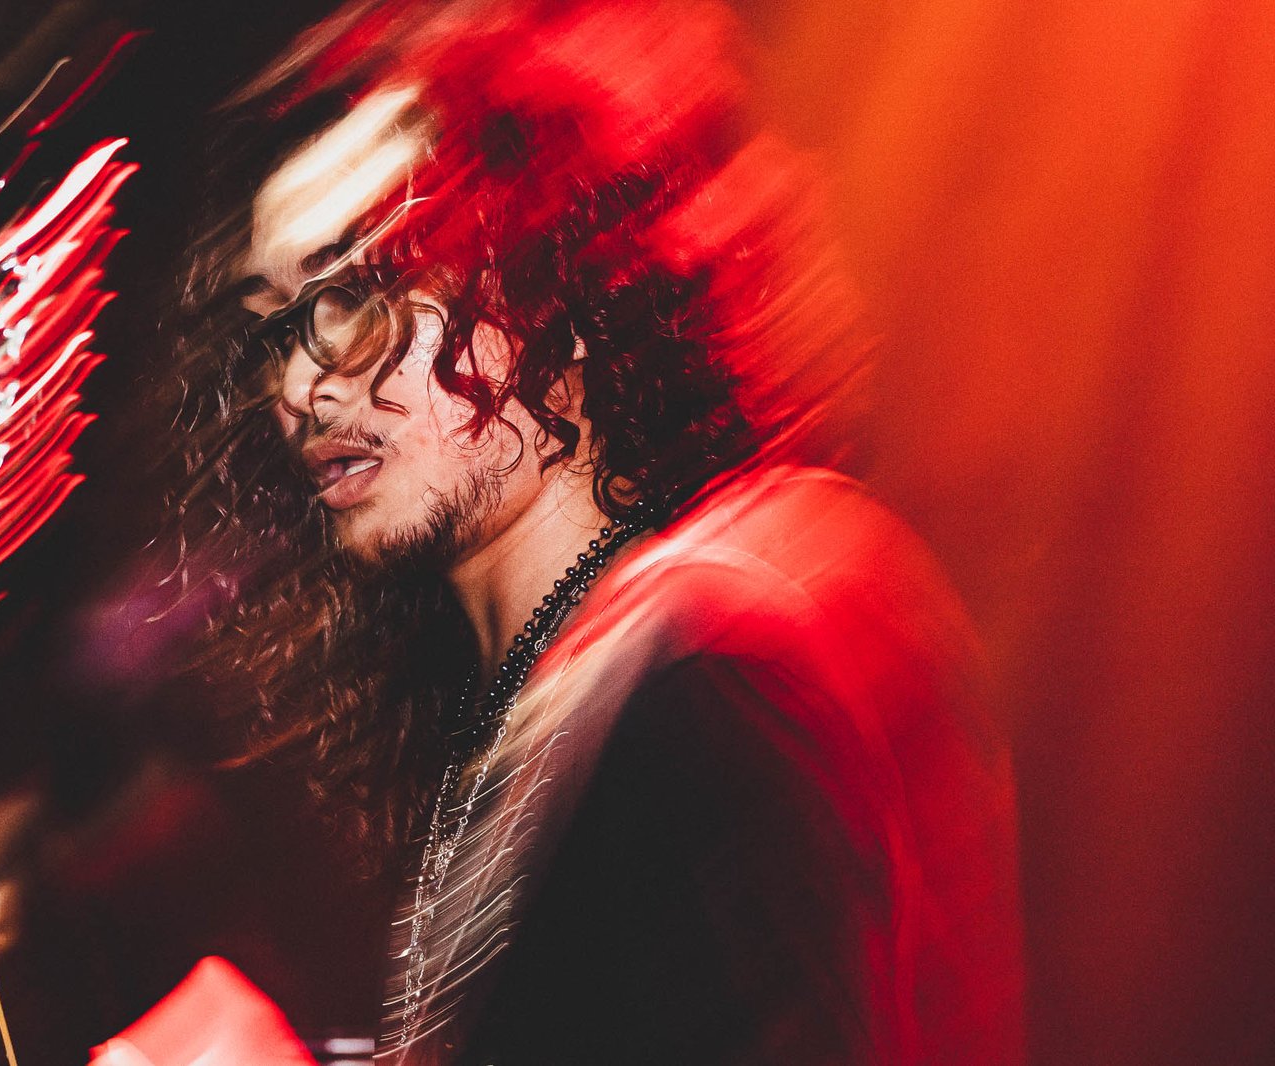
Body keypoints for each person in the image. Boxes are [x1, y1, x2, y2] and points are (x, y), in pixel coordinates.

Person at [137, 1, 1026, 1062]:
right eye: (275, 325)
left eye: (360, 290)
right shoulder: (537, 723)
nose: (300, 384)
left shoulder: (701, 668)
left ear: (545, 277)